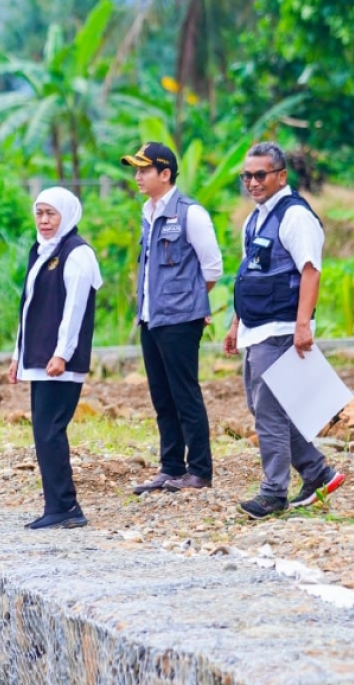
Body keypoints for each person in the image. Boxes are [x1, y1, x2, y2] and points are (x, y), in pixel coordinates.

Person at [224, 142, 345, 520]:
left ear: (280, 175)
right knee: (264, 408)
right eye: (247, 175)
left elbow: (311, 269)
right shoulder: (256, 219)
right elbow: (249, 275)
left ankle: (274, 492)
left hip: (280, 328)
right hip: (255, 329)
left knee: (269, 415)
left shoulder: (295, 217)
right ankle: (318, 473)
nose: (253, 182)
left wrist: (302, 325)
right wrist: (235, 323)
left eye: (261, 175)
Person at [121, 142, 223, 496]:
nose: (137, 177)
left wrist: (190, 302)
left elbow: (212, 267)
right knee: (161, 396)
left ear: (165, 174)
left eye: (144, 170)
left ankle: (199, 470)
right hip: (151, 318)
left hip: (181, 319)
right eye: (136, 170)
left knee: (185, 393)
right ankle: (170, 468)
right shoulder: (147, 212)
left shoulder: (190, 213)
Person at [8, 187, 103, 530]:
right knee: (43, 431)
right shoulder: (41, 249)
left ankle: (65, 506)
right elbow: (28, 307)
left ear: (67, 215)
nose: (45, 220)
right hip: (38, 358)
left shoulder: (77, 254)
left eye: (51, 214)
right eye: (40, 213)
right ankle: (58, 505)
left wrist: (62, 353)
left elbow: (74, 309)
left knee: (50, 431)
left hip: (58, 362)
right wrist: (17, 355)